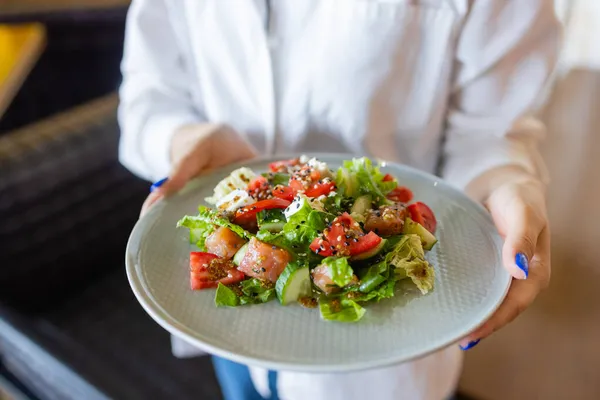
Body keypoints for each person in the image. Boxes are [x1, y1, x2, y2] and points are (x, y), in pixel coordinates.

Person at [118, 1, 558, 399]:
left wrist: (503, 183)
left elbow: (489, 134)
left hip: (383, 350)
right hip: (233, 334)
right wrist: (182, 139)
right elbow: (147, 95)